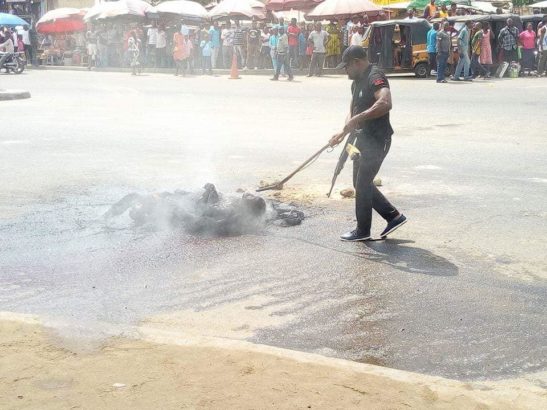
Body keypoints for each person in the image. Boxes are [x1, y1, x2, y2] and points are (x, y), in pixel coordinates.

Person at [329, 46, 406, 241]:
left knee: (362, 183)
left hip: (378, 140)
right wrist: (343, 131)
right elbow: (353, 112)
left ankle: (362, 231)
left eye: (346, 66)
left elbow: (385, 102)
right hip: (362, 141)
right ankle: (393, 216)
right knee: (359, 182)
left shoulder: (375, 76)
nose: (345, 70)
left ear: (357, 62)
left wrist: (358, 119)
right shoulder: (355, 83)